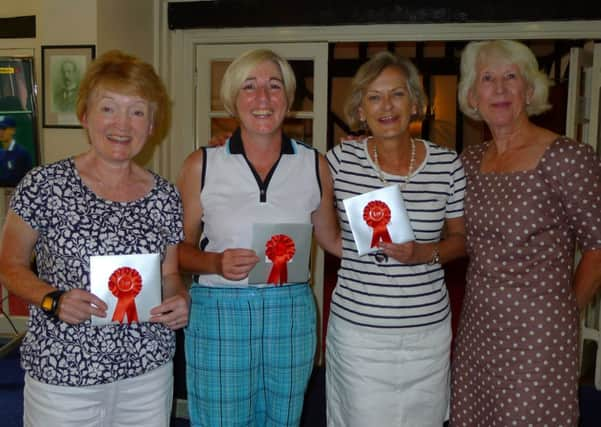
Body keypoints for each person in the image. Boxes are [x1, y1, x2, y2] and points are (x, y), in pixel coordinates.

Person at [0, 50, 189, 427]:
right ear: (85, 115)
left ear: (152, 125)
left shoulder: (165, 196)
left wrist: (181, 297)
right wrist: (51, 299)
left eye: (137, 111)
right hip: (64, 374)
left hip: (146, 372)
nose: (122, 123)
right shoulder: (44, 185)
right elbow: (9, 264)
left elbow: (169, 274)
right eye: (108, 108)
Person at [177, 48, 340, 426]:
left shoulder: (314, 164)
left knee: (284, 419)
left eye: (274, 86)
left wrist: (393, 242)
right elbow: (178, 252)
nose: (263, 98)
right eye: (249, 87)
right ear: (232, 99)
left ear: (289, 98)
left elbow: (333, 240)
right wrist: (215, 262)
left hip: (291, 313)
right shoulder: (201, 164)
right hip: (219, 310)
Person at [450, 40, 601, 426]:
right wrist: (371, 160)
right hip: (478, 327)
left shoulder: (568, 157)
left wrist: (565, 311)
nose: (499, 89)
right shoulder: (467, 163)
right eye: (487, 78)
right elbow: (437, 220)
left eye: (510, 76)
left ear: (529, 90)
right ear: (472, 94)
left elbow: (598, 245)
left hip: (538, 332)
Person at [325, 51, 467, 427]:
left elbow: (460, 239)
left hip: (426, 335)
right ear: (360, 110)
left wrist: (424, 253)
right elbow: (305, 204)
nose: (386, 106)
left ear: (415, 102)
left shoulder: (447, 164)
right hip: (359, 335)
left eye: (397, 94)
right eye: (374, 97)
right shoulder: (339, 161)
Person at [0, 115, 32, 186]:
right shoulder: (0, 153)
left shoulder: (22, 153)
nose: (1, 132)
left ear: (13, 130)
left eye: (4, 128)